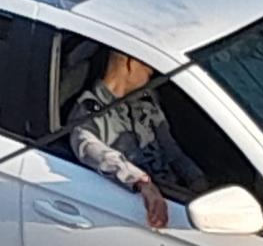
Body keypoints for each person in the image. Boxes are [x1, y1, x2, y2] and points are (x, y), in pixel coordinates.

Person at [69, 50, 209, 229]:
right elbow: (95, 152)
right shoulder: (87, 115)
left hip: (176, 192)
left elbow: (171, 150)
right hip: (140, 208)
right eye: (148, 70)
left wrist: (197, 179)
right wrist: (141, 182)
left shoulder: (146, 99)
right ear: (131, 63)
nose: (150, 75)